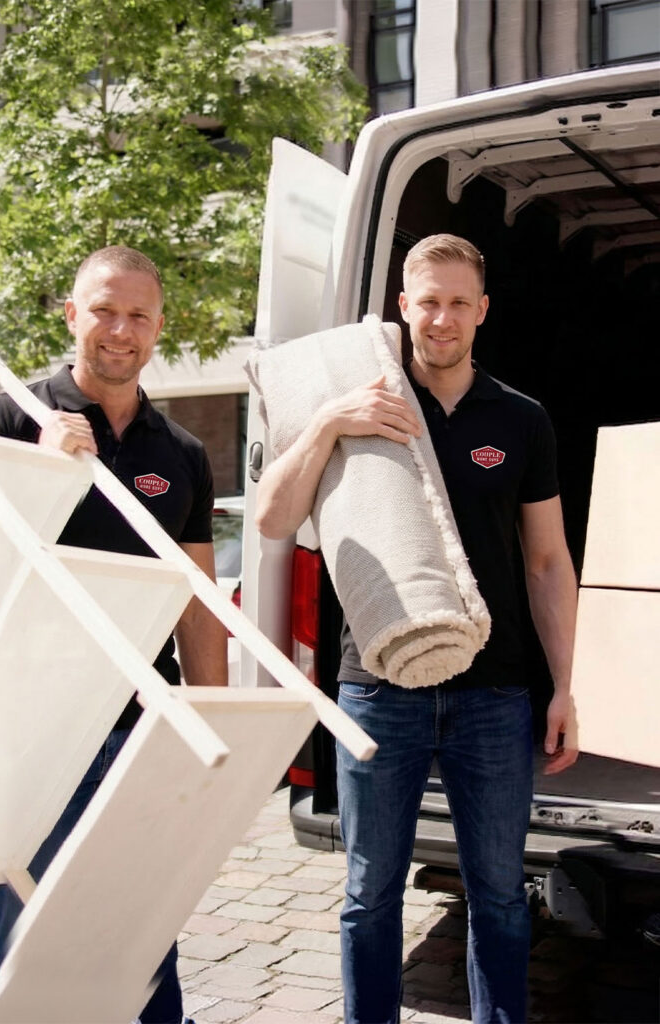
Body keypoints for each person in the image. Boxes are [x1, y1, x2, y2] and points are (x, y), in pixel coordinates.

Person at [255, 234, 579, 1024]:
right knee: (368, 893)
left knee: (498, 893)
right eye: (427, 301)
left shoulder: (520, 419)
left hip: (494, 695)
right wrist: (329, 422)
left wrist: (564, 687)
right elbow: (270, 519)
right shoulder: (361, 404)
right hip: (376, 689)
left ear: (482, 311)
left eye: (458, 302)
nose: (442, 318)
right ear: (402, 307)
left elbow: (546, 562)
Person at [0, 245, 228, 1024]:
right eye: (103, 311)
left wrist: (210, 728)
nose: (120, 330)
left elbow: (195, 603)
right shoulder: (7, 419)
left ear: (159, 327)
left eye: (137, 315)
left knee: (143, 933)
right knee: (32, 936)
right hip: (30, 731)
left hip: (136, 727)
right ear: (70, 315)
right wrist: (40, 471)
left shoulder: (180, 452)